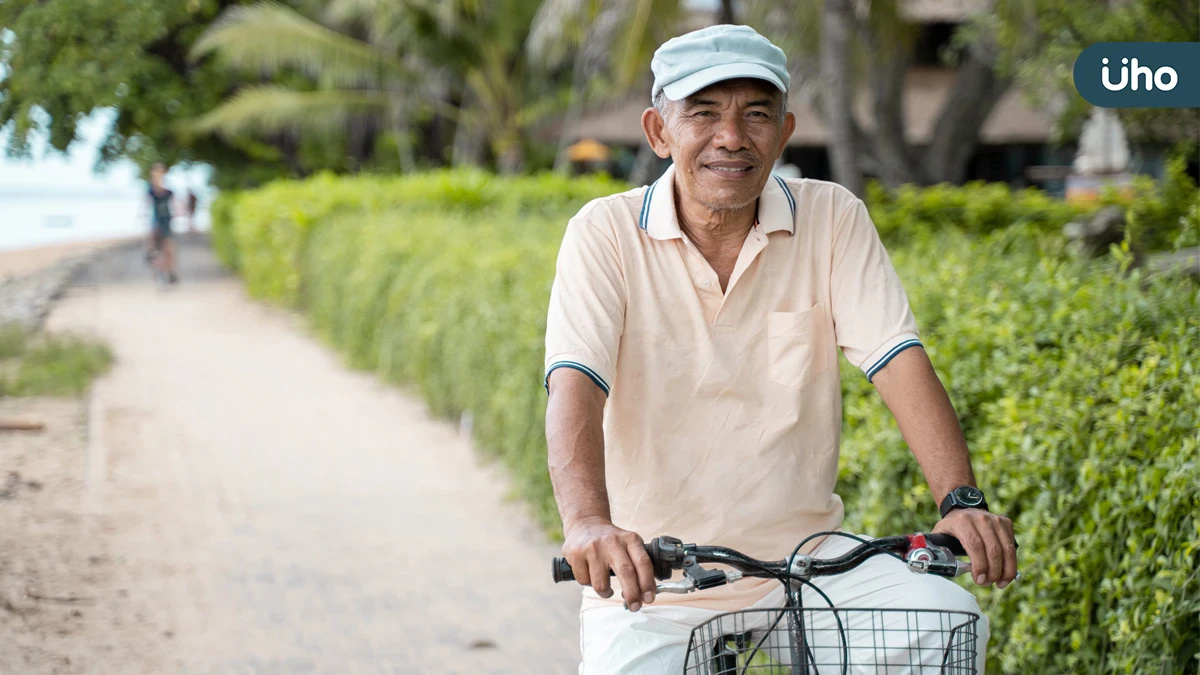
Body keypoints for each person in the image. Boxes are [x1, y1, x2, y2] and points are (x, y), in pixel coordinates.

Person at [543, 25, 1018, 673]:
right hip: (656, 574)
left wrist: (960, 500)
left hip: (811, 562)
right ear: (659, 132)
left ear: (785, 131)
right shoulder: (604, 233)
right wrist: (589, 524)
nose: (731, 137)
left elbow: (896, 356)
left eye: (756, 115)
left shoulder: (832, 217)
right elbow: (575, 382)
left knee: (944, 620)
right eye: (703, 114)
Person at [145, 162, 178, 283]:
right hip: (156, 221)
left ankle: (170, 272)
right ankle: (154, 266)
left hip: (166, 221)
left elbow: (175, 205)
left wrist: (178, 212)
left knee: (170, 249)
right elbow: (146, 205)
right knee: (152, 243)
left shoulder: (168, 192)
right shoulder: (151, 191)